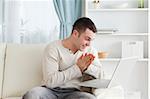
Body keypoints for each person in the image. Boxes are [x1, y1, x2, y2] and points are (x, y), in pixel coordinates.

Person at [23, 17, 102, 99]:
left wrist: (86, 67)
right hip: (50, 91)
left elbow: (101, 75)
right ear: (75, 34)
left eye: (91, 40)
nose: (89, 44)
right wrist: (78, 68)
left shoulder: (90, 51)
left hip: (75, 93)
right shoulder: (53, 48)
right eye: (87, 39)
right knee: (32, 94)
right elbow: (50, 81)